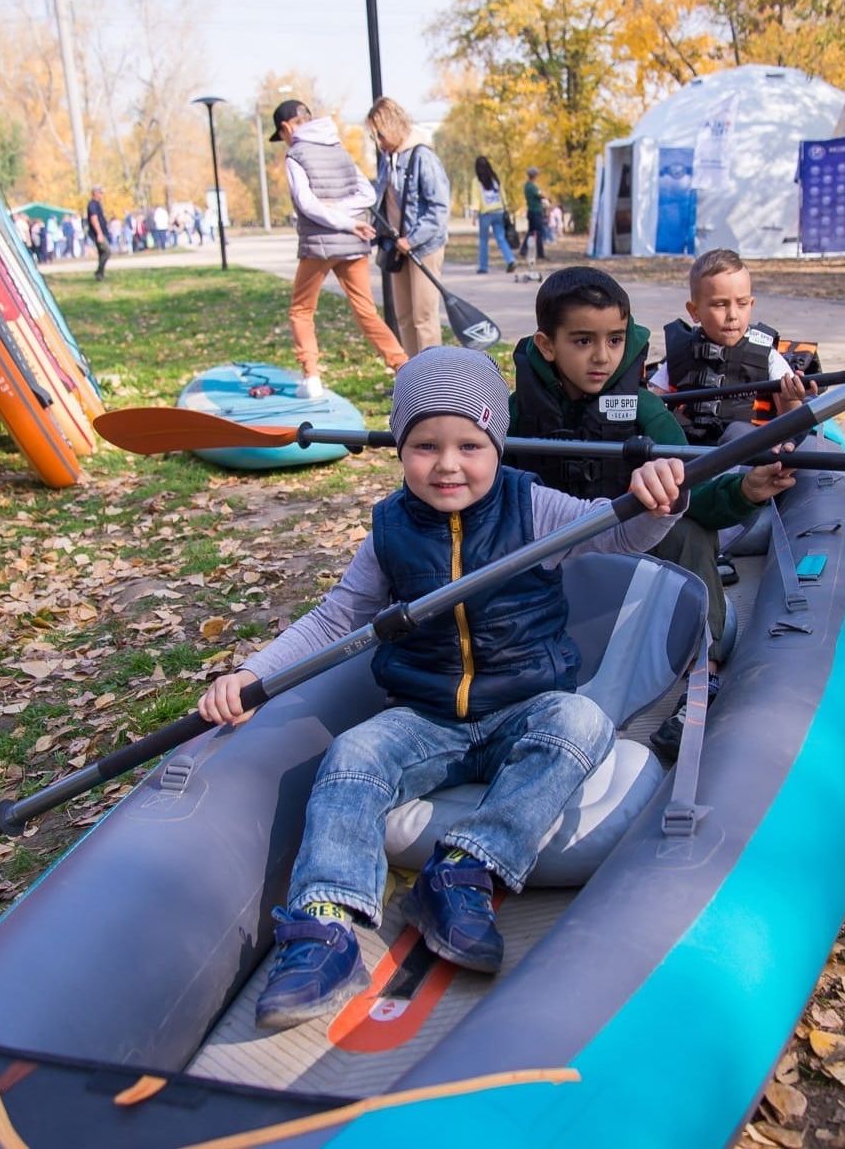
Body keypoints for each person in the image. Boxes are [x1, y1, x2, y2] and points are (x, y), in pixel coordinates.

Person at [196, 347, 688, 1029]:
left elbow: (623, 535)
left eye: (469, 446)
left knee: (580, 722)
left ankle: (462, 871)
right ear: (400, 448)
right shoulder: (390, 529)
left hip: (523, 707)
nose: (447, 465)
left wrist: (661, 497)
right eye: (425, 445)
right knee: (353, 754)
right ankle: (325, 925)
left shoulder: (533, 505)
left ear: (497, 445)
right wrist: (255, 674)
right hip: (424, 717)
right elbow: (337, 617)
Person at [508, 265, 793, 658]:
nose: (602, 356)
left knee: (686, 531)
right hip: (549, 555)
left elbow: (699, 494)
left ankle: (703, 662)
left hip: (628, 555)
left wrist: (746, 491)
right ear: (546, 345)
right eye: (583, 341)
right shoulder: (514, 415)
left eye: (615, 339)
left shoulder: (645, 411)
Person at [272, 98, 409, 396]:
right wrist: (348, 219)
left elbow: (307, 205)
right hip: (353, 243)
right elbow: (366, 195)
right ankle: (404, 368)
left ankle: (311, 378)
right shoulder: (338, 149)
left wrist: (337, 217)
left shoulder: (295, 155)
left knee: (301, 310)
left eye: (281, 135)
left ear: (286, 128)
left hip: (320, 244)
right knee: (366, 311)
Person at [648, 249, 808, 447]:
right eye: (720, 304)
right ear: (694, 311)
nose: (733, 315)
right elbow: (651, 406)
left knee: (738, 431)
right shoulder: (680, 353)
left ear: (751, 304)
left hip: (746, 452)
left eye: (742, 304)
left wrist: (792, 399)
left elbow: (792, 418)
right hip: (690, 453)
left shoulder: (767, 356)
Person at [368, 97, 451, 357]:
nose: (378, 142)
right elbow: (383, 201)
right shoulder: (387, 159)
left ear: (392, 126)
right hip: (397, 248)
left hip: (424, 247)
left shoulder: (422, 157)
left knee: (423, 317)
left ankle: (431, 374)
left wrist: (412, 240)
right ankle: (412, 372)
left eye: (380, 135)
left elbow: (439, 208)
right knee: (403, 316)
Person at [474, 156, 517, 275]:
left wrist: (474, 214)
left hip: (485, 214)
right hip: (499, 212)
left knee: (483, 240)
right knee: (501, 238)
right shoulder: (495, 179)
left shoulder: (476, 181)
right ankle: (510, 260)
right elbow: (502, 195)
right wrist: (506, 207)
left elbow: (476, 198)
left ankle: (483, 267)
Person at [519, 167, 549, 262]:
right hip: (536, 211)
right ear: (534, 175)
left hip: (531, 211)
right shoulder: (532, 186)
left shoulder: (526, 186)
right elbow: (541, 195)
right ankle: (540, 253)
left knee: (531, 231)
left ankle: (523, 250)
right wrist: (544, 195)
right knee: (538, 232)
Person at [85, 187, 110, 279]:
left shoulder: (97, 204)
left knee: (101, 253)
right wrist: (99, 233)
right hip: (97, 233)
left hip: (102, 232)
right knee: (107, 252)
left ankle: (100, 274)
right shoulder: (92, 205)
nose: (102, 195)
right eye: (100, 193)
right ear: (95, 193)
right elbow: (94, 219)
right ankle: (99, 272)